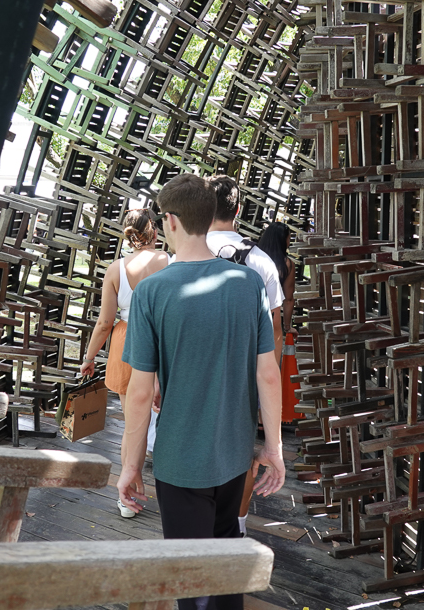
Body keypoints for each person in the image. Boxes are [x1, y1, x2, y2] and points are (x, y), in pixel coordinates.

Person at [117, 173, 284, 610]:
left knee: (190, 576)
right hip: (234, 453)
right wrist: (273, 448)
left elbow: (140, 394)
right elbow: (268, 374)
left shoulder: (152, 292)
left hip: (180, 458)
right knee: (226, 563)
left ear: (170, 221)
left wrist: (130, 465)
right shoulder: (248, 283)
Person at [206, 175, 284, 536]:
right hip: (247, 372)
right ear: (238, 209)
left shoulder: (185, 254)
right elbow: (275, 329)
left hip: (196, 369)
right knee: (242, 451)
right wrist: (270, 378)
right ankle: (236, 524)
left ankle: (198, 520)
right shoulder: (262, 261)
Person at [80, 208, 169, 518]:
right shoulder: (169, 262)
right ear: (154, 230)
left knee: (133, 425)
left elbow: (105, 322)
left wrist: (89, 357)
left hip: (124, 342)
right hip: (160, 342)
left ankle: (127, 496)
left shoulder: (115, 269)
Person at [257, 221, 297, 335]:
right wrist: (287, 327)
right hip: (271, 316)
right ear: (283, 240)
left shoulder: (254, 257)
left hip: (249, 310)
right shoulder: (287, 264)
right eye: (289, 238)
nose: (289, 242)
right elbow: (288, 300)